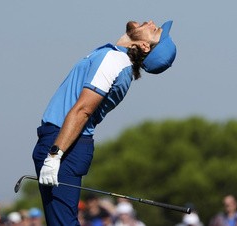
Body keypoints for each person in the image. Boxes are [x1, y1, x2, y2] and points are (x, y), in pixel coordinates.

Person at [32, 18, 177, 225]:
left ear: (145, 46)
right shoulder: (116, 59)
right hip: (66, 143)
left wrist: (55, 154)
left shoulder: (115, 60)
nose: (151, 22)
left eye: (155, 31)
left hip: (64, 145)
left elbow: (83, 110)